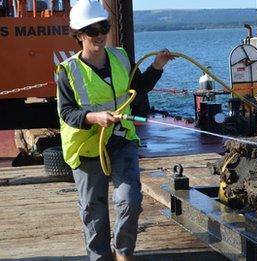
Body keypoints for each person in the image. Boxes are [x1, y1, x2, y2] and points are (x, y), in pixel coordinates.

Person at [55, 1, 173, 260]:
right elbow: (66, 113)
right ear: (78, 34)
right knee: (93, 211)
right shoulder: (68, 72)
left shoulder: (120, 57)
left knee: (130, 201)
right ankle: (99, 256)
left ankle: (123, 253)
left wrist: (157, 66)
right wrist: (93, 117)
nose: (99, 35)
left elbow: (138, 87)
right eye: (92, 30)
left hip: (121, 139)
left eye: (104, 27)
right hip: (87, 148)